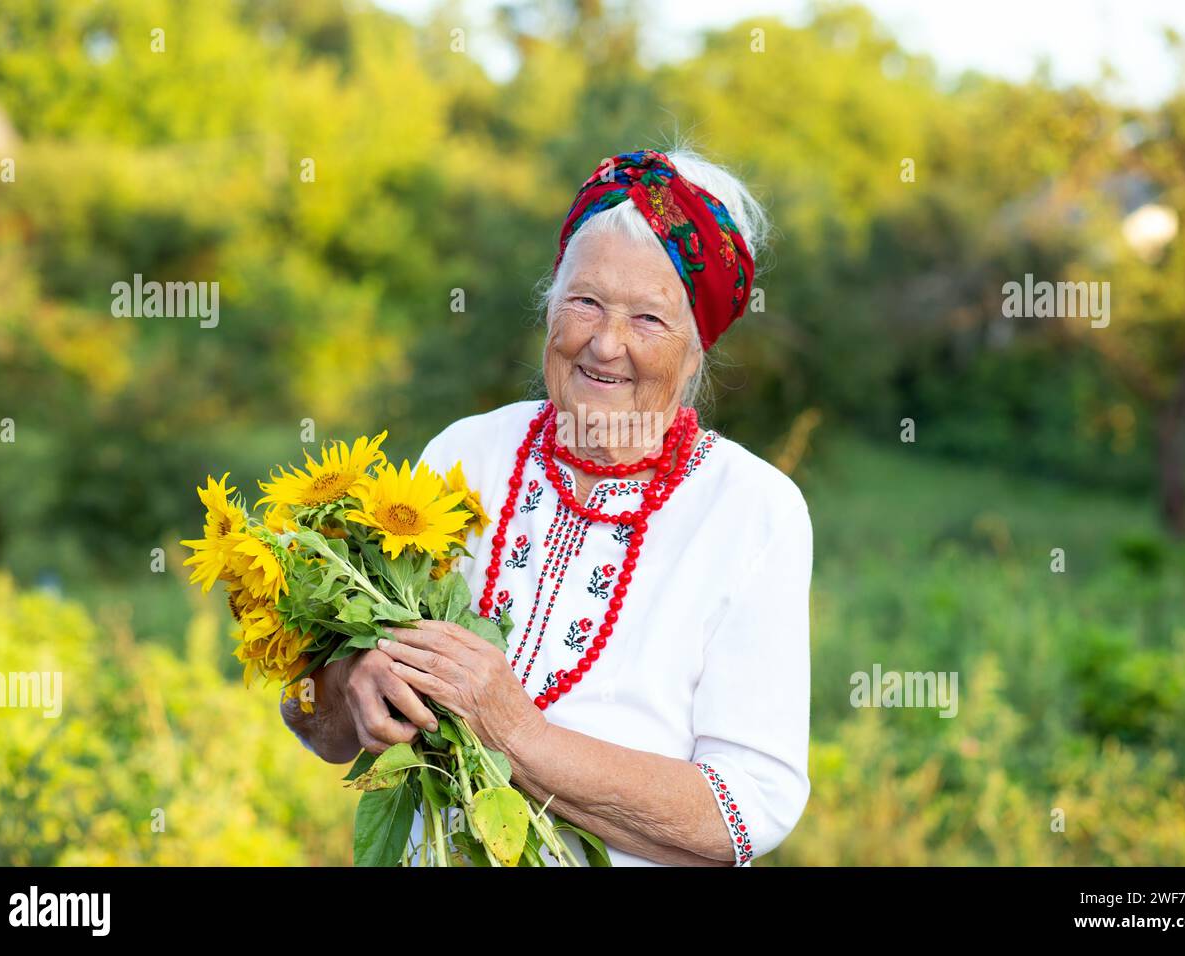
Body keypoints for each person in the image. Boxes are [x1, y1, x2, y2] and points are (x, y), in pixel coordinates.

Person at [284, 147, 813, 866]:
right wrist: (349, 682)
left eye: (649, 319)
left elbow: (743, 812)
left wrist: (513, 729)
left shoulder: (753, 512)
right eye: (584, 301)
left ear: (697, 351)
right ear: (549, 305)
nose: (605, 342)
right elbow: (310, 718)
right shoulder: (464, 454)